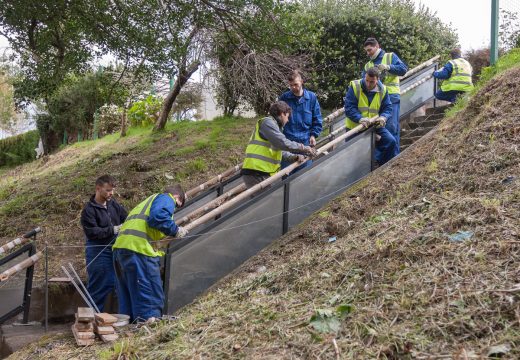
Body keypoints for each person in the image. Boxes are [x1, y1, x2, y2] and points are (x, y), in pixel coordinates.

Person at [112, 185, 187, 322]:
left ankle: (128, 334)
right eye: (176, 206)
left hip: (121, 250)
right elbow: (157, 218)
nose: (174, 209)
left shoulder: (146, 202)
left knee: (128, 298)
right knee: (149, 295)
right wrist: (175, 230)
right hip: (139, 251)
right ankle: (147, 330)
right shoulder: (166, 198)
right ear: (177, 197)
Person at [241, 101, 317, 188]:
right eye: (287, 117)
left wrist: (294, 157)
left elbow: (281, 151)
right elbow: (283, 143)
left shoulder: (274, 127)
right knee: (265, 201)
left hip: (262, 172)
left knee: (267, 200)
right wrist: (305, 148)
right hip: (256, 171)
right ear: (282, 114)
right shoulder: (267, 122)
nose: (288, 120)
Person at [80, 175, 127, 312]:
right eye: (107, 190)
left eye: (112, 190)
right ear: (98, 188)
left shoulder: (113, 204)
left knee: (115, 283)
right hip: (98, 250)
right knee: (99, 286)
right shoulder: (89, 210)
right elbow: (93, 232)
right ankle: (89, 320)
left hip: (116, 248)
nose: (111, 193)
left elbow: (126, 217)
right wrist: (113, 230)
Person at [344, 67, 399, 165]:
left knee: (390, 141)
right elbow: (349, 108)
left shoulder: (383, 90)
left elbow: (387, 107)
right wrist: (359, 118)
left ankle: (380, 167)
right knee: (353, 158)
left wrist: (383, 117)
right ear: (365, 77)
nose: (368, 84)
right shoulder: (355, 86)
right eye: (367, 80)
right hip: (355, 127)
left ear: (378, 80)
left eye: (372, 82)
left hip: (374, 126)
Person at [362, 37, 408, 150]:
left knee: (392, 127)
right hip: (375, 99)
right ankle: (383, 158)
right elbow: (363, 83)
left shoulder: (390, 56)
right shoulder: (368, 65)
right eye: (366, 51)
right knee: (379, 129)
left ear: (377, 46)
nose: (368, 53)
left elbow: (403, 70)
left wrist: (388, 67)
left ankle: (394, 157)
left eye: (370, 50)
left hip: (391, 96)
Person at [279, 70, 323, 171]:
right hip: (288, 144)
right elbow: (278, 120)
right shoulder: (284, 98)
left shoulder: (311, 97)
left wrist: (313, 135)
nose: (293, 87)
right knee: (287, 177)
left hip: (305, 143)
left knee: (304, 175)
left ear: (302, 82)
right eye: (291, 85)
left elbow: (317, 119)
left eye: (296, 84)